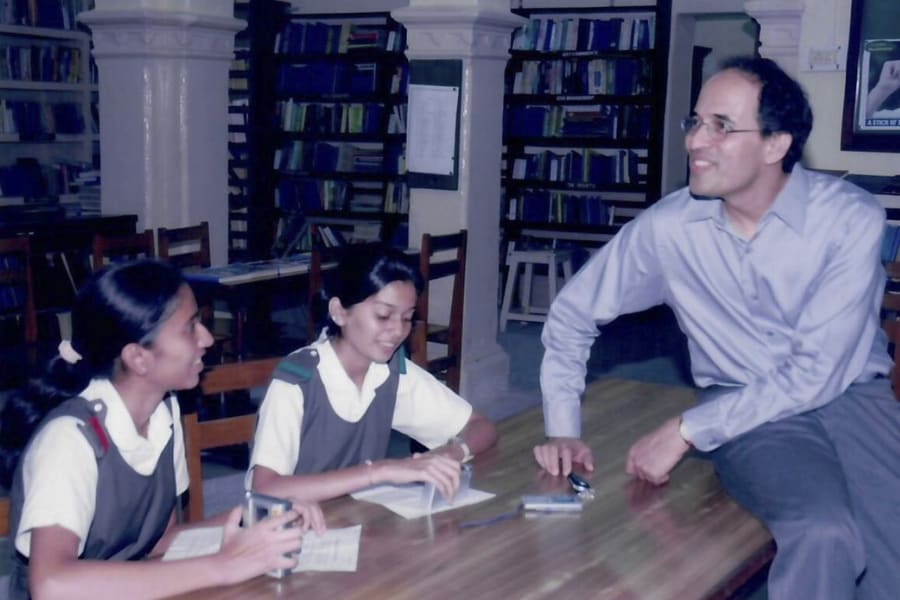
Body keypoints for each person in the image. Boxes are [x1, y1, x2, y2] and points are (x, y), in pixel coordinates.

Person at [533, 55, 900, 600]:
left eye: (721, 126)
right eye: (696, 122)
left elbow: (818, 371)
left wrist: (683, 430)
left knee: (891, 556)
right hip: (748, 410)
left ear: (776, 145)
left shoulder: (850, 219)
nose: (696, 141)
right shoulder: (668, 229)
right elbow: (571, 314)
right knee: (822, 532)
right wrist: (563, 424)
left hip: (853, 395)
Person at [0, 260, 325, 600]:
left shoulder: (163, 412)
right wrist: (222, 566)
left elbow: (160, 543)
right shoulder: (69, 440)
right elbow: (52, 585)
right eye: (190, 326)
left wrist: (261, 513)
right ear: (138, 358)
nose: (207, 338)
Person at [250, 245, 497, 503]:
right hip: (286, 529)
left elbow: (481, 427)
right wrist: (381, 471)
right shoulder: (296, 382)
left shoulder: (389, 372)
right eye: (383, 315)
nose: (398, 330)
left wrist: (451, 453)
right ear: (339, 312)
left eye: (407, 318)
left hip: (355, 521)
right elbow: (264, 489)